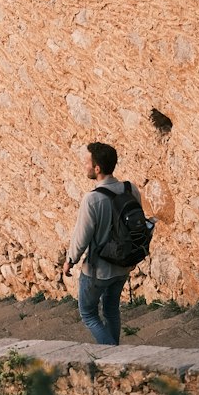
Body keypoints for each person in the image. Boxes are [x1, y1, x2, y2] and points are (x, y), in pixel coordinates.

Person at [62, 141, 142, 346]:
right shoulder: (130, 188)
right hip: (123, 264)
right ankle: (114, 353)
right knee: (111, 310)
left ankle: (112, 354)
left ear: (97, 169)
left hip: (99, 269)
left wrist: (70, 260)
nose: (84, 166)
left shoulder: (92, 199)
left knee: (88, 313)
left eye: (87, 162)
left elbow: (82, 236)